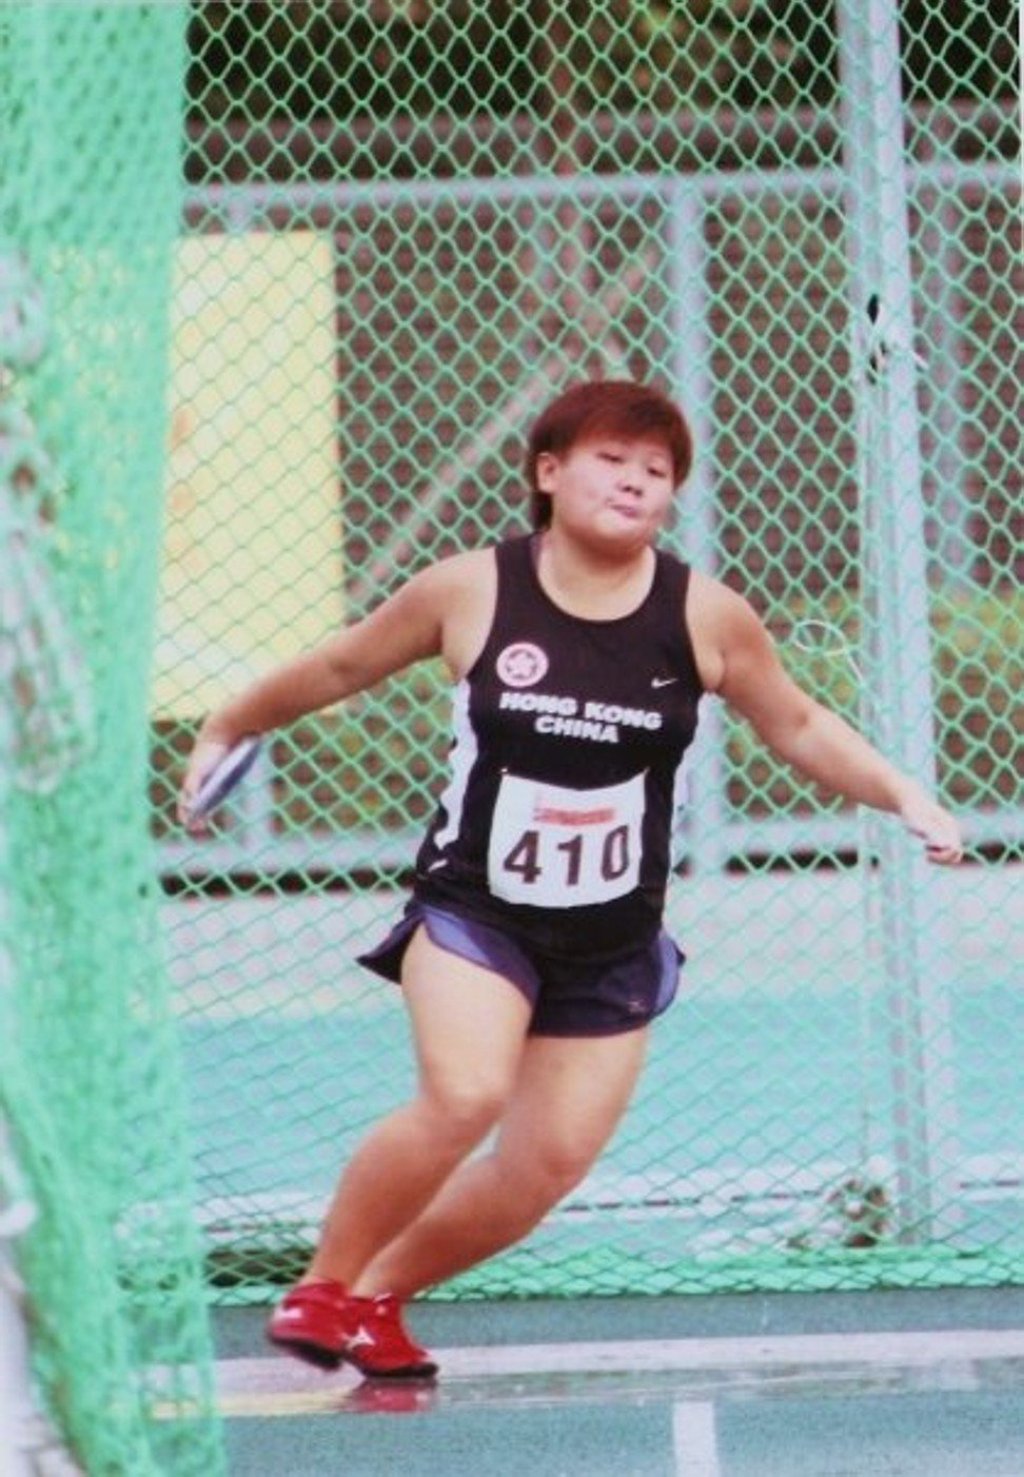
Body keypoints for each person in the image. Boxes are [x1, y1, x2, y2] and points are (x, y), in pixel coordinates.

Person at [178, 379, 963, 1381]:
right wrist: (227, 722)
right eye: (611, 459)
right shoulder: (470, 589)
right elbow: (337, 668)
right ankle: (323, 1287)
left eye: (657, 470)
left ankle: (379, 1294)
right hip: (475, 915)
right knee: (464, 1093)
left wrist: (905, 794)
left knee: (543, 1168)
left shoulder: (707, 617)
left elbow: (798, 723)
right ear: (549, 473)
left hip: (610, 943)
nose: (636, 480)